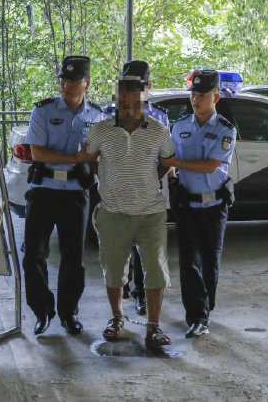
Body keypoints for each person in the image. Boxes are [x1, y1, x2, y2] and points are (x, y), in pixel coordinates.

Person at [77, 60, 175, 348]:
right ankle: (117, 318)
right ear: (116, 101)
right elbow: (90, 158)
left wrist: (148, 181)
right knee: (114, 269)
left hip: (151, 213)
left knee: (155, 270)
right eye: (124, 103)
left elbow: (166, 162)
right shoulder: (100, 130)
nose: (130, 109)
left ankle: (154, 327)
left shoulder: (159, 130)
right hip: (113, 212)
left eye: (136, 104)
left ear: (144, 102)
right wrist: (109, 180)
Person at [23, 55, 105, 336]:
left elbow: (99, 156)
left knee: (73, 258)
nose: (67, 85)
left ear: (87, 84)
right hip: (43, 190)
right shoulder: (43, 111)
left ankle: (69, 313)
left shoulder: (98, 116)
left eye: (74, 81)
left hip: (75, 194)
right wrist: (75, 158)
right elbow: (37, 152)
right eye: (64, 80)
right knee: (33, 254)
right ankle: (42, 311)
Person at [160, 69, 237, 338]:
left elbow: (210, 165)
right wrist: (170, 175)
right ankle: (196, 316)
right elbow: (168, 161)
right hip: (188, 206)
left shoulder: (226, 129)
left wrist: (174, 163)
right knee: (188, 262)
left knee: (210, 262)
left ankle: (206, 308)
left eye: (202, 95)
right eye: (193, 94)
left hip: (214, 207)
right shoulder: (180, 126)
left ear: (216, 97)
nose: (196, 99)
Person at [102, 66, 170, 317]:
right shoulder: (108, 115)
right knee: (118, 253)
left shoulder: (160, 118)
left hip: (146, 199)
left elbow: (166, 159)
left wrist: (149, 180)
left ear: (148, 86)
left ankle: (141, 294)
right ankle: (122, 297)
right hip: (116, 197)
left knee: (146, 254)